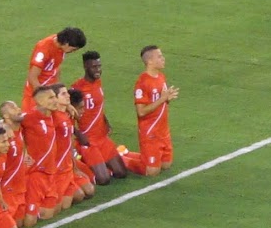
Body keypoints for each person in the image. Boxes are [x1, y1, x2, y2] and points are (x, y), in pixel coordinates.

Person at [71, 50, 129, 180]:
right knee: (104, 179)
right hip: (88, 140)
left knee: (121, 173)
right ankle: (78, 160)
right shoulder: (77, 88)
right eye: (94, 67)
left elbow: (98, 106)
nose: (98, 70)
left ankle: (100, 162)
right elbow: (67, 115)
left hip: (101, 137)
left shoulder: (98, 83)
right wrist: (78, 134)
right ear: (86, 66)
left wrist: (106, 121)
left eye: (99, 66)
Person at [121, 45, 179, 177]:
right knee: (152, 171)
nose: (163, 59)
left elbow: (161, 101)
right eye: (159, 56)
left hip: (163, 131)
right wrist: (162, 99)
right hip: (150, 132)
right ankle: (120, 158)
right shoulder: (142, 82)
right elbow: (141, 112)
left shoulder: (161, 77)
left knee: (166, 165)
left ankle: (125, 152)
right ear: (150, 61)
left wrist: (167, 99)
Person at [22, 85, 64, 225]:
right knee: (29, 222)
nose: (55, 100)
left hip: (51, 173)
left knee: (49, 213)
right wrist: (23, 152)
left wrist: (69, 107)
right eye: (51, 98)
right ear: (40, 102)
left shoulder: (54, 115)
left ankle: (22, 208)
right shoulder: (29, 117)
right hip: (36, 173)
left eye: (55, 97)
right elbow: (6, 126)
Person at [20, 26, 87, 111]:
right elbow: (32, 77)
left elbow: (56, 67)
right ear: (66, 43)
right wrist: (44, 97)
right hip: (36, 94)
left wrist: (59, 91)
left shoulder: (61, 46)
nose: (73, 51)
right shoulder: (43, 49)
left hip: (51, 91)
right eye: (73, 49)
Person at [0, 101, 29, 228]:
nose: (18, 109)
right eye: (13, 108)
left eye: (17, 106)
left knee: (20, 224)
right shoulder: (3, 137)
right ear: (6, 116)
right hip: (8, 187)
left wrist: (25, 153)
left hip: (20, 186)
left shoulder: (18, 128)